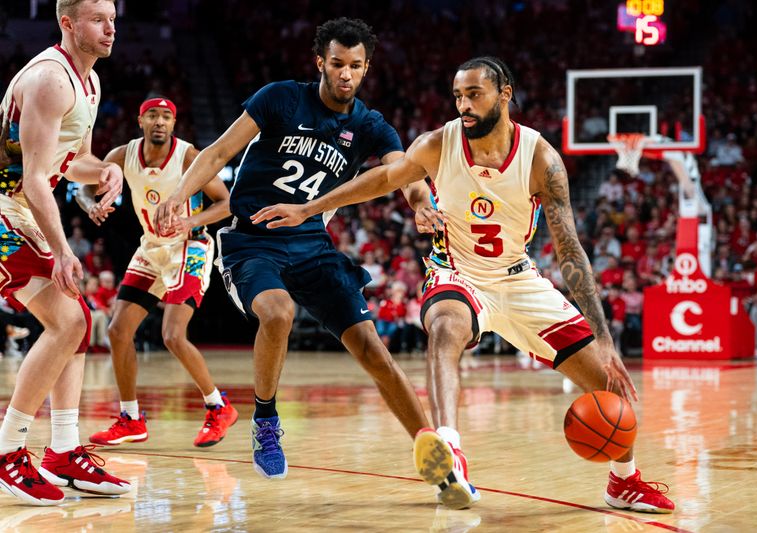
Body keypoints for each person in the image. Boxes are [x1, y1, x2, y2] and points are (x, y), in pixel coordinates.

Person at [258, 56, 675, 513]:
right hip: (456, 271)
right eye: (458, 96)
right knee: (445, 329)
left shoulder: (540, 158)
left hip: (518, 278)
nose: (464, 106)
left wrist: (604, 336)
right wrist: (309, 207)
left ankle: (623, 482)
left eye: (474, 95)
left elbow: (570, 251)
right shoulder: (440, 143)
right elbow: (382, 179)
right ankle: (450, 452)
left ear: (504, 94)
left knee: (611, 388)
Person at [153, 17, 430, 480]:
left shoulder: (369, 125)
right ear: (320, 62)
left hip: (311, 243)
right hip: (251, 240)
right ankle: (265, 419)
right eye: (337, 63)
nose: (346, 74)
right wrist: (179, 195)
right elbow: (219, 152)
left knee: (372, 349)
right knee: (278, 312)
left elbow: (402, 171)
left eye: (356, 66)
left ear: (366, 69)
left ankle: (433, 449)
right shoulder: (281, 97)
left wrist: (422, 202)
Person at [0, 0, 129, 505]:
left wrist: (102, 172)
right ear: (68, 23)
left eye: (114, 18)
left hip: (20, 206)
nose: (110, 27)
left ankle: (63, 451)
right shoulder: (52, 78)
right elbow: (32, 178)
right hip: (6, 205)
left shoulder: (90, 81)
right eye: (98, 18)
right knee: (70, 320)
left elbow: (66, 161)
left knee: (75, 317)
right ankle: (10, 451)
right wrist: (61, 250)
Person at [77, 97, 237, 448]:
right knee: (118, 331)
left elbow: (227, 203)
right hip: (151, 247)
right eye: (153, 115)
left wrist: (193, 219)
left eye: (166, 116)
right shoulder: (122, 155)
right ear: (141, 121)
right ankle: (131, 419)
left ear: (174, 124)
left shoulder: (189, 156)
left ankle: (218, 407)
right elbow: (83, 188)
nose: (160, 121)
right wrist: (92, 207)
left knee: (173, 336)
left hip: (190, 246)